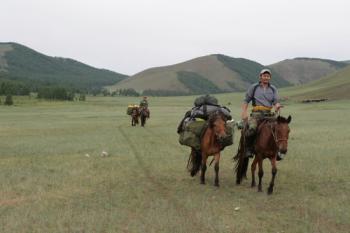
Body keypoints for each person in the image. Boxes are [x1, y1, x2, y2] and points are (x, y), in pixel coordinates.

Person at [240, 68, 282, 159]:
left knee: (279, 128)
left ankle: (277, 150)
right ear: (260, 76)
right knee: (252, 128)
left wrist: (277, 106)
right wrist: (244, 112)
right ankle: (248, 149)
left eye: (268, 76)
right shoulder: (254, 87)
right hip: (257, 114)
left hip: (269, 114)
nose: (266, 77)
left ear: (270, 77)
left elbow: (276, 101)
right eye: (264, 76)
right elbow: (246, 100)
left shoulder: (273, 88)